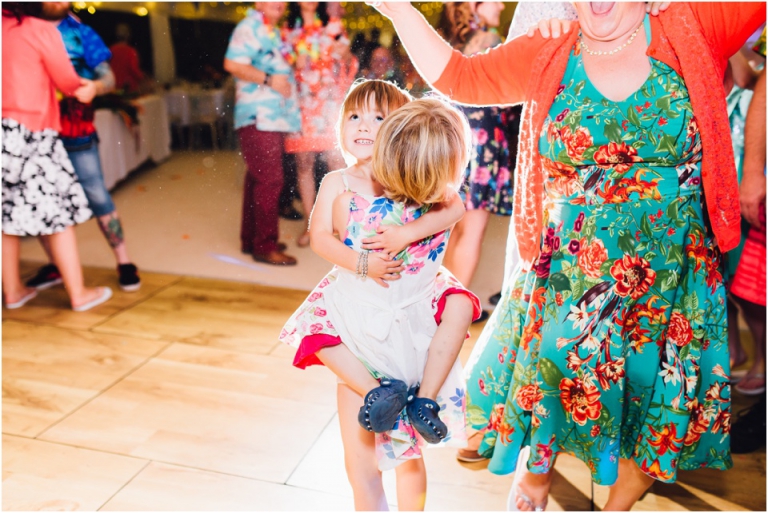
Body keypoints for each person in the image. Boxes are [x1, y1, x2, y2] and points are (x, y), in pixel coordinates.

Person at [371, 1, 765, 511]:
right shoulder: (552, 45)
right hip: (572, 276)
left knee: (654, 405)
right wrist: (398, 9)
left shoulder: (692, 23)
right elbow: (461, 77)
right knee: (554, 385)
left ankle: (618, 503)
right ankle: (533, 481)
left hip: (673, 277)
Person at [279, 81, 480, 510]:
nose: (364, 126)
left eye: (378, 117)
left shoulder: (415, 181)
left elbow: (457, 205)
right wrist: (363, 263)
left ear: (404, 131)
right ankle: (377, 394)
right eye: (353, 116)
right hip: (360, 321)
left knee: (409, 457)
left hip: (407, 326)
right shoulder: (336, 181)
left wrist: (407, 232)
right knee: (359, 456)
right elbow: (321, 238)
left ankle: (423, 398)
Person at [23, 2, 141, 294]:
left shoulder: (81, 32)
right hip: (35, 129)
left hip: (76, 127)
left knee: (96, 192)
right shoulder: (19, 29)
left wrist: (95, 88)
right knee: (43, 199)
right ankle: (56, 265)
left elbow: (109, 78)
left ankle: (124, 262)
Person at [2, 2, 112, 312]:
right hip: (32, 132)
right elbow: (67, 82)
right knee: (58, 215)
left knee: (5, 214)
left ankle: (12, 292)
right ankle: (79, 294)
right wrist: (91, 87)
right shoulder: (40, 30)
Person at [437, 2, 516, 325]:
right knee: (472, 231)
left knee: (455, 228)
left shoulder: (455, 41)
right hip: (483, 145)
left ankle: (440, 303)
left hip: (460, 141)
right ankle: (454, 311)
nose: (500, 4)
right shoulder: (490, 40)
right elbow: (510, 96)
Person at [223, 2, 300, 266]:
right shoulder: (250, 27)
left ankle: (251, 239)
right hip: (259, 117)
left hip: (272, 118)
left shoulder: (271, 31)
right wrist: (269, 79)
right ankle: (265, 246)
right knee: (270, 180)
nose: (279, 3)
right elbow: (231, 63)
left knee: (256, 179)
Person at [283, 2, 349, 248]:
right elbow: (279, 64)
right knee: (304, 163)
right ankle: (311, 227)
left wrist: (339, 51)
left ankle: (344, 224)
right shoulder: (288, 30)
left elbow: (345, 54)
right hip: (300, 104)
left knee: (336, 162)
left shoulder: (332, 24)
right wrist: (292, 61)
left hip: (329, 102)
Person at [729, 29, 766, 455]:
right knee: (734, 277)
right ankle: (738, 353)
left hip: (743, 151)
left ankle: (758, 359)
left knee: (747, 280)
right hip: (736, 159)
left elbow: (750, 74)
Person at [109, 23, 145, 95]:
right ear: (128, 36)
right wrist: (143, 78)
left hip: (113, 88)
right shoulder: (131, 51)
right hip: (128, 89)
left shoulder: (111, 49)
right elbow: (134, 69)